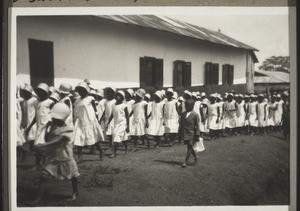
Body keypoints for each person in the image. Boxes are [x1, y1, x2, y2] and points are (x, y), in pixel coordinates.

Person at [26, 103, 80, 205]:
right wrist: (47, 129)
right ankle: (38, 198)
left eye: (56, 118)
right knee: (44, 176)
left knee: (72, 176)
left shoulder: (68, 129)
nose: (53, 119)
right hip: (54, 157)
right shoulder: (52, 126)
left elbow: (58, 140)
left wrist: (43, 145)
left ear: (62, 119)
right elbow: (48, 138)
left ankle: (75, 191)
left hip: (65, 157)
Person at [73, 82, 104, 163]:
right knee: (78, 138)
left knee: (93, 138)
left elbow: (95, 111)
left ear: (86, 91)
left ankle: (101, 151)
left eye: (82, 90)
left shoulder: (90, 98)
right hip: (80, 121)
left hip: (89, 121)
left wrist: (96, 121)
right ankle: (80, 158)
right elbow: (76, 111)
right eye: (79, 90)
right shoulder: (77, 100)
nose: (80, 92)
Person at [25, 83, 54, 169]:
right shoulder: (37, 102)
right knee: (38, 147)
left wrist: (49, 126)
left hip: (46, 127)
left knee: (42, 147)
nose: (40, 94)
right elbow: (36, 116)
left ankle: (42, 164)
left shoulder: (50, 102)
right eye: (39, 92)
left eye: (42, 92)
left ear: (46, 93)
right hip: (39, 127)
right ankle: (39, 164)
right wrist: (30, 126)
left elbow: (54, 114)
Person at [106, 90, 130, 158]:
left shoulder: (124, 105)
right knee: (122, 138)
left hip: (122, 123)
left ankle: (114, 153)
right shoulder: (113, 105)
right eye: (117, 95)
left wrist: (128, 126)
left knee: (117, 137)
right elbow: (112, 115)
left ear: (122, 98)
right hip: (116, 124)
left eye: (120, 96)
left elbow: (127, 116)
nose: (118, 97)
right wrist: (108, 123)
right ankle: (126, 148)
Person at [179, 99, 200, 168]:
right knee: (189, 147)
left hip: (192, 133)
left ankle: (185, 161)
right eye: (185, 105)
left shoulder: (195, 115)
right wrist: (180, 131)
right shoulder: (183, 114)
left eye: (188, 106)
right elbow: (181, 124)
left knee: (190, 147)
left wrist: (197, 134)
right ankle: (196, 156)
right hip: (185, 133)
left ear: (192, 106)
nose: (186, 107)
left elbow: (197, 126)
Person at [20, 84, 37, 151]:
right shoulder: (23, 101)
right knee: (27, 134)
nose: (25, 94)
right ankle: (30, 147)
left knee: (32, 133)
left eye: (26, 93)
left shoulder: (34, 100)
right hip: (26, 119)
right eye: (24, 92)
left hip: (32, 118)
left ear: (30, 93)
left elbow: (36, 111)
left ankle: (32, 147)